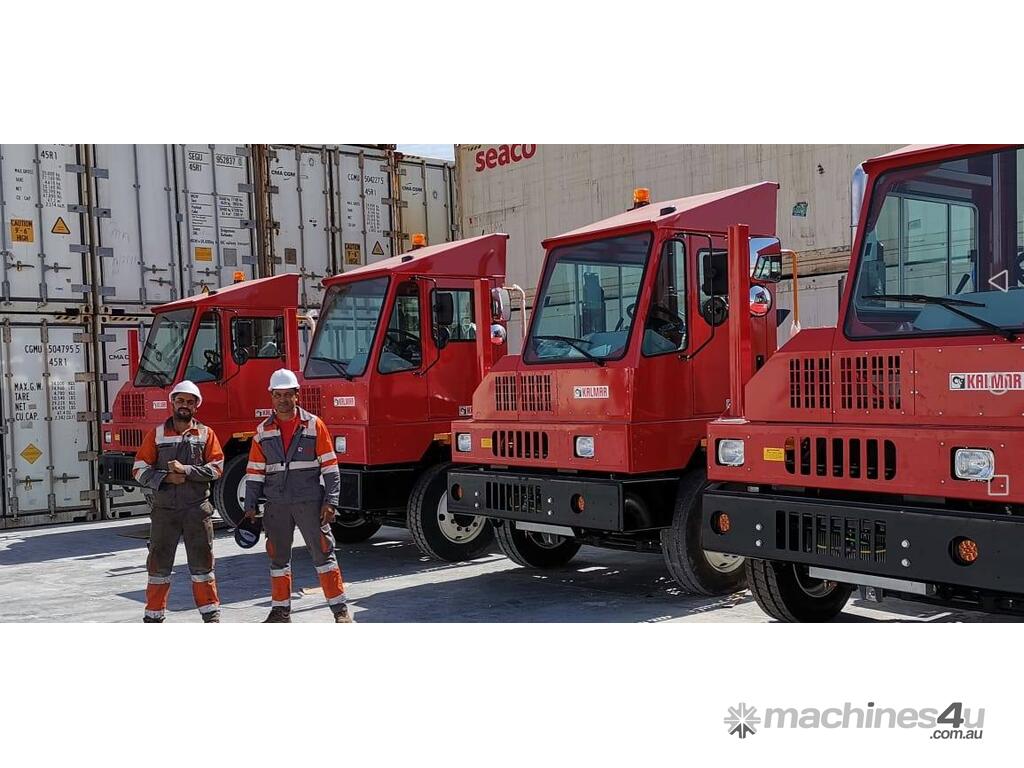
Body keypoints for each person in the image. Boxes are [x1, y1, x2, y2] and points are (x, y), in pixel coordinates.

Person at [243, 368, 352, 623]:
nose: (282, 400)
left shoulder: (315, 425)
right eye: (277, 395)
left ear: (297, 396)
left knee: (324, 553)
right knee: (277, 557)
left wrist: (331, 501)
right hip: (276, 505)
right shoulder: (262, 431)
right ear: (271, 397)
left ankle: (340, 610)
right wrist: (250, 506)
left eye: (287, 395)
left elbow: (330, 466)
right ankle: (281, 612)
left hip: (310, 502)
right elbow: (255, 472)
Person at [133, 380, 225, 623]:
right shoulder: (157, 434)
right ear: (172, 403)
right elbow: (139, 469)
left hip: (197, 510)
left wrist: (187, 471)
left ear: (197, 406)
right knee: (158, 566)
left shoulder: (206, 434)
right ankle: (153, 616)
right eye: (180, 400)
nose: (184, 405)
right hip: (165, 511)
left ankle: (211, 615)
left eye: (190, 402)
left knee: (203, 566)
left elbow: (216, 468)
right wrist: (166, 478)